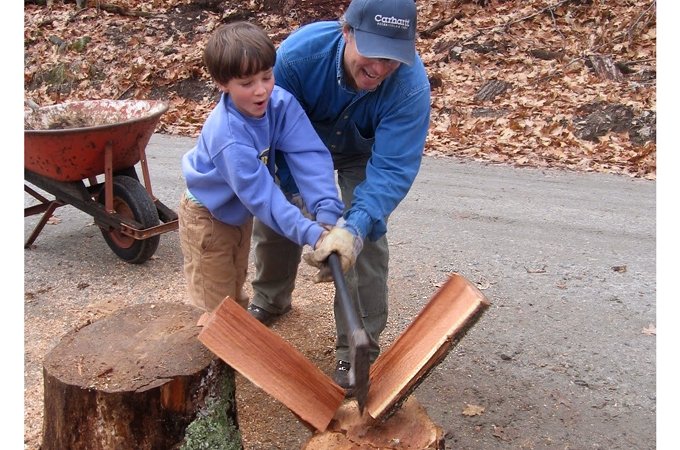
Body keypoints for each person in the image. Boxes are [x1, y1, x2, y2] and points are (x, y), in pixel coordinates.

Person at [246, 0, 431, 390]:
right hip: (298, 145)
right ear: (346, 31)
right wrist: (300, 201)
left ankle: (356, 350)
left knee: (365, 242)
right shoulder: (297, 58)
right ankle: (271, 296)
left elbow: (393, 170)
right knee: (279, 213)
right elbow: (270, 133)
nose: (380, 69)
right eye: (373, 53)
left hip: (361, 153)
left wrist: (354, 227)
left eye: (393, 58)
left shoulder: (410, 87)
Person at [178, 21, 348, 313]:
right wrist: (315, 235)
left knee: (235, 293)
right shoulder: (228, 136)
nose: (261, 91)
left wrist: (328, 215)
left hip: (237, 215)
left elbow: (308, 154)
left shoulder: (278, 103)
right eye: (246, 84)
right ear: (222, 84)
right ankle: (216, 356)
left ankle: (234, 350)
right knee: (216, 307)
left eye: (267, 77)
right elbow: (264, 198)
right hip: (206, 216)